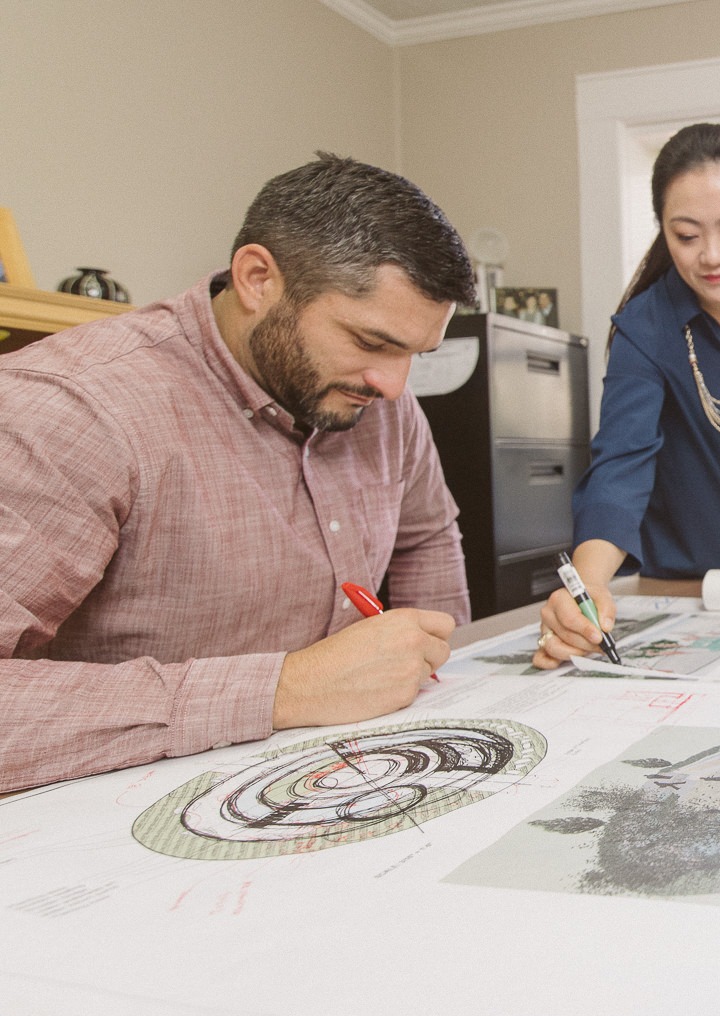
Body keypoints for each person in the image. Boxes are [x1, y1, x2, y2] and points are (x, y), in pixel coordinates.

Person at [0, 152, 479, 794]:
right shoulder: (73, 411)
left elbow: (427, 536)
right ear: (257, 279)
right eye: (371, 343)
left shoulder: (383, 402)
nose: (395, 387)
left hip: (348, 778)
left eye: (417, 354)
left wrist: (432, 672)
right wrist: (286, 689)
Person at [538, 123, 720, 667]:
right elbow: (620, 464)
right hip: (681, 583)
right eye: (686, 235)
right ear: (662, 229)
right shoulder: (644, 325)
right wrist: (584, 586)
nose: (711, 256)